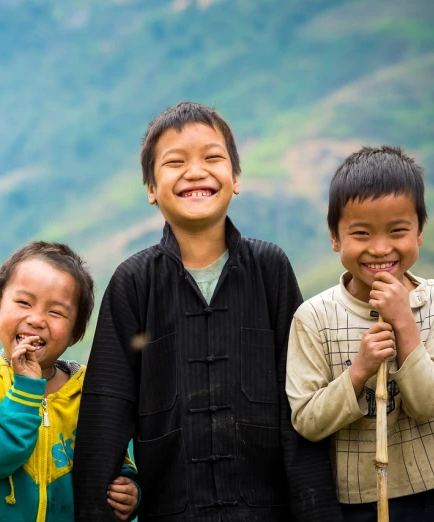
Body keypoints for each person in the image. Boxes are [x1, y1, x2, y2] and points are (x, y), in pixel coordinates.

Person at [73, 102, 342, 521]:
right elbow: (106, 412)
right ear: (150, 188)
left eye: (212, 158)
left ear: (235, 179)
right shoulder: (134, 282)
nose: (195, 172)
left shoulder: (270, 269)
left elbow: (300, 405)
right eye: (175, 162)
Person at [286, 146, 434, 521]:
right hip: (353, 503)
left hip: (427, 495)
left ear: (420, 232)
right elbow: (306, 420)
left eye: (398, 231)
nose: (380, 248)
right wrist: (358, 371)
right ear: (335, 237)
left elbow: (431, 403)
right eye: (361, 233)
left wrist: (404, 323)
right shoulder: (313, 317)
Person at [0, 241, 140, 522]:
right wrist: (25, 390)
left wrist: (130, 489)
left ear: (75, 333)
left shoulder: (89, 392)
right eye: (24, 302)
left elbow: (115, 459)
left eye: (56, 312)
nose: (36, 319)